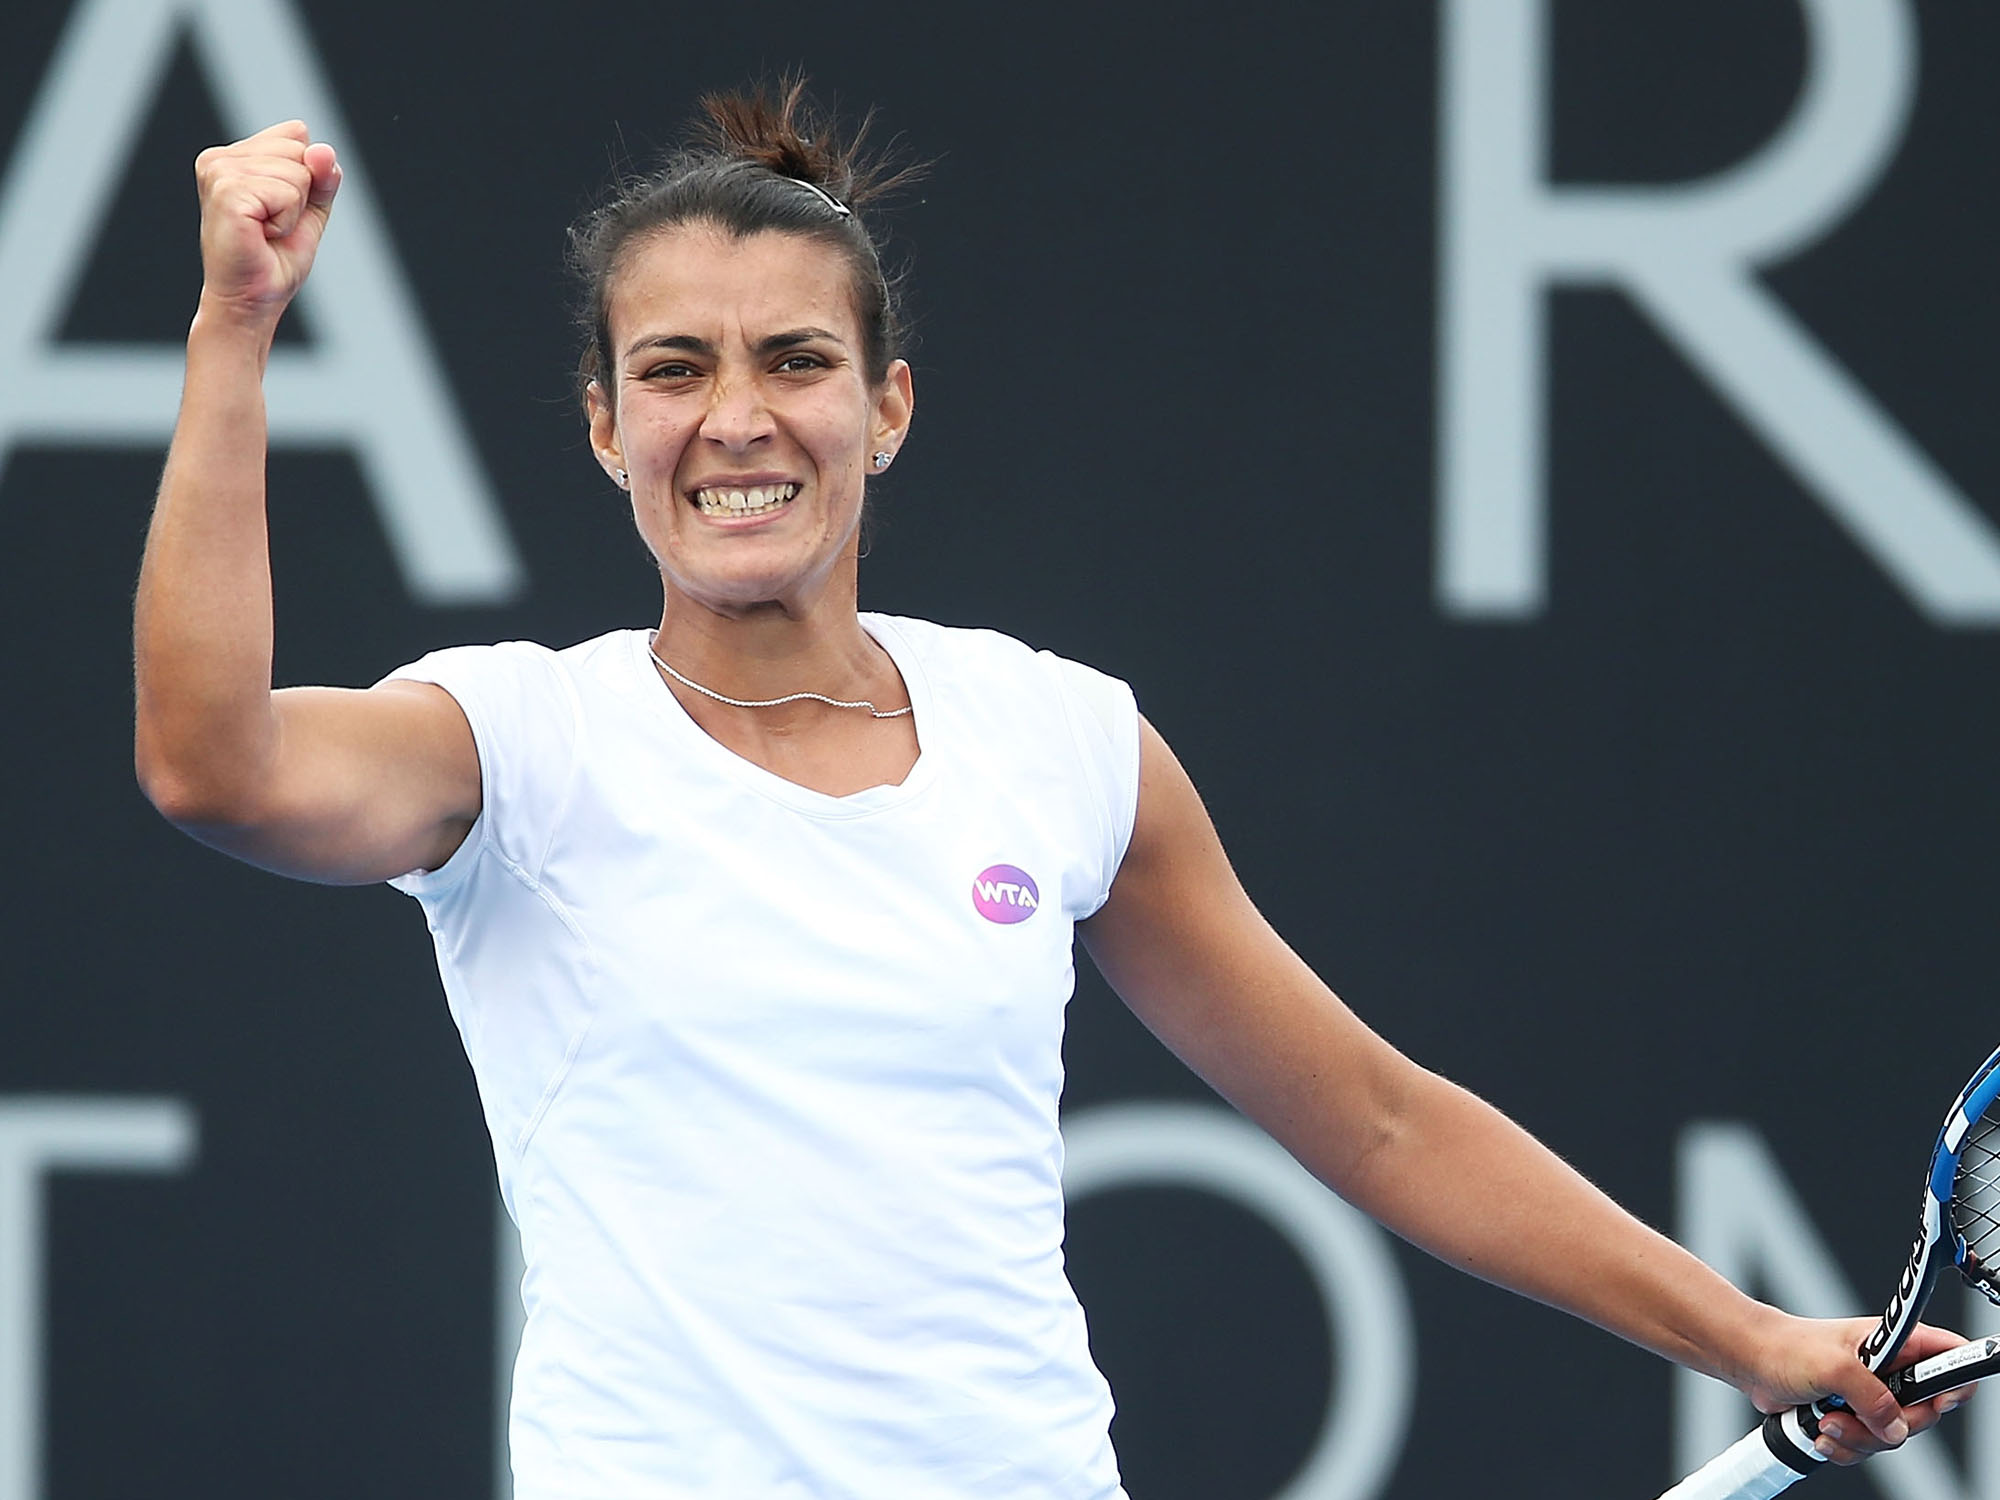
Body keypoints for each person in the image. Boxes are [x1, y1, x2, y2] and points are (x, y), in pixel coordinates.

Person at [134, 84, 1964, 1498]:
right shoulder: (512, 743)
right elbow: (212, 763)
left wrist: (1740, 1334)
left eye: (797, 361)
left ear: (891, 405)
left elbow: (1383, 1123)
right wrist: (235, 330)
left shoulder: (1060, 740)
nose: (740, 419)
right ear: (609, 428)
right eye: (674, 371)